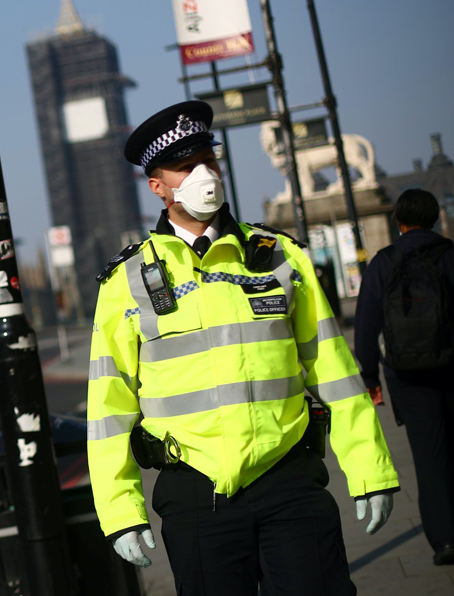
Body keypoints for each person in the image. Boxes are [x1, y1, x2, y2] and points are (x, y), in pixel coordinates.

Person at [87, 101, 399, 595]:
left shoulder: (279, 257)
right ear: (158, 186)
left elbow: (334, 371)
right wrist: (121, 512)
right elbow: (109, 408)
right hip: (194, 491)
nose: (204, 174)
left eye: (209, 160)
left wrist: (370, 469)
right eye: (186, 167)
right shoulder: (125, 282)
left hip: (289, 479)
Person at [354, 188, 454, 566]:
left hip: (407, 375)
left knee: (429, 457)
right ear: (435, 218)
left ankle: (444, 540)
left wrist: (369, 376)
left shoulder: (384, 262)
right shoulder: (449, 254)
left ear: (398, 222)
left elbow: (366, 325)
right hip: (451, 367)